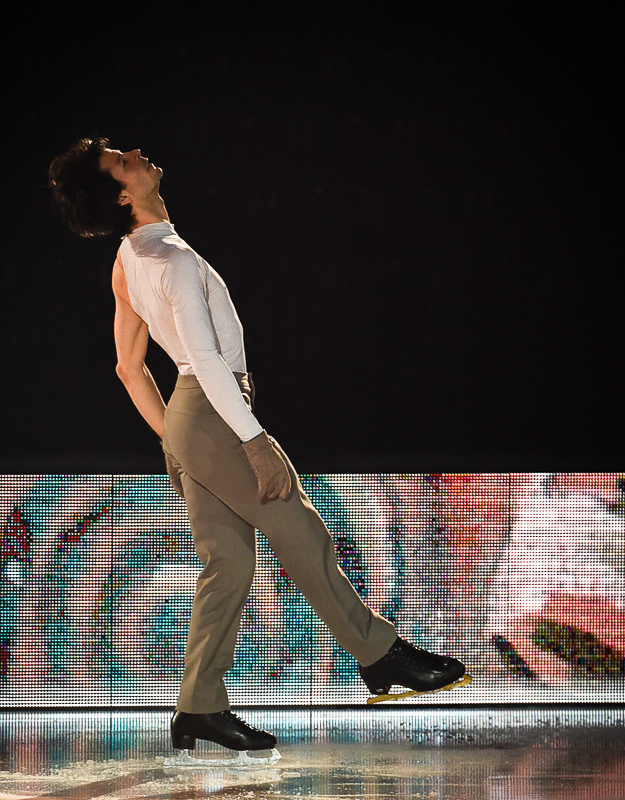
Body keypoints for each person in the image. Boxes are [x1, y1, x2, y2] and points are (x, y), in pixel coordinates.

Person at [47, 137, 467, 754]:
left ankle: (199, 707)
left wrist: (176, 440)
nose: (134, 152)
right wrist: (253, 438)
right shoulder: (170, 260)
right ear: (122, 191)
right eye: (119, 158)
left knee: (230, 565)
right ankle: (380, 656)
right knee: (296, 523)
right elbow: (208, 359)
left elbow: (128, 369)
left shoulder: (129, 259)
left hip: (192, 418)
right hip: (215, 409)